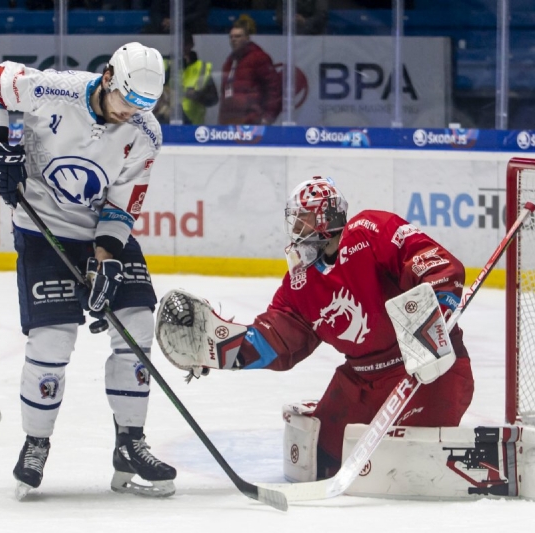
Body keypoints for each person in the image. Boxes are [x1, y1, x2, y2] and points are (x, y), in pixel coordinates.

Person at [156, 176, 474, 479]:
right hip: (362, 380)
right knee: (321, 460)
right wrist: (228, 348)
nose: (295, 229)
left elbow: (434, 264)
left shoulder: (372, 230)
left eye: (302, 219)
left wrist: (435, 316)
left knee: (406, 466)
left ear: (326, 218)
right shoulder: (300, 282)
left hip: (428, 370)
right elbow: (280, 336)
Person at [0, 42, 177, 500]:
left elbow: (124, 203)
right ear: (107, 78)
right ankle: (36, 444)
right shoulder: (54, 89)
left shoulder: (145, 132)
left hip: (99, 232)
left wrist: (105, 260)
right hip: (42, 230)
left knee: (137, 326)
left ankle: (129, 444)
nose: (134, 113)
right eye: (128, 100)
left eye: (146, 105)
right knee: (54, 338)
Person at [217, 14, 282, 125]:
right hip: (230, 123)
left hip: (252, 123)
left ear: (247, 38)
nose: (233, 40)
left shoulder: (259, 58)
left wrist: (267, 118)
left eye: (238, 36)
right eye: (231, 37)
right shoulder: (229, 62)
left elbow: (274, 90)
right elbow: (225, 94)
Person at [142, 0, 210, 35]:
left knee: (198, 26)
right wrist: (162, 21)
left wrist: (177, 21)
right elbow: (155, 10)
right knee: (147, 30)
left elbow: (200, 13)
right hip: (166, 26)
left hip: (189, 26)